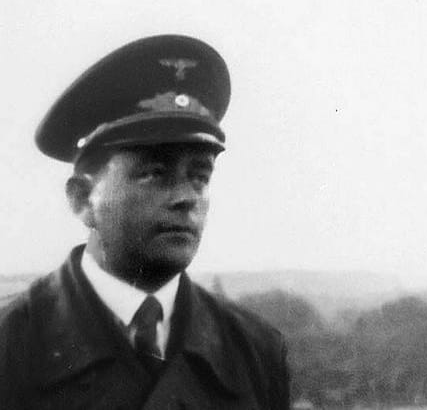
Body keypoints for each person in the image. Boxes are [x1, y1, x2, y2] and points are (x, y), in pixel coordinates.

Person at [0, 34, 290, 409]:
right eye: (155, 173)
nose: (187, 196)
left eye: (200, 176)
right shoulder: (13, 346)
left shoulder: (254, 350)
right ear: (83, 199)